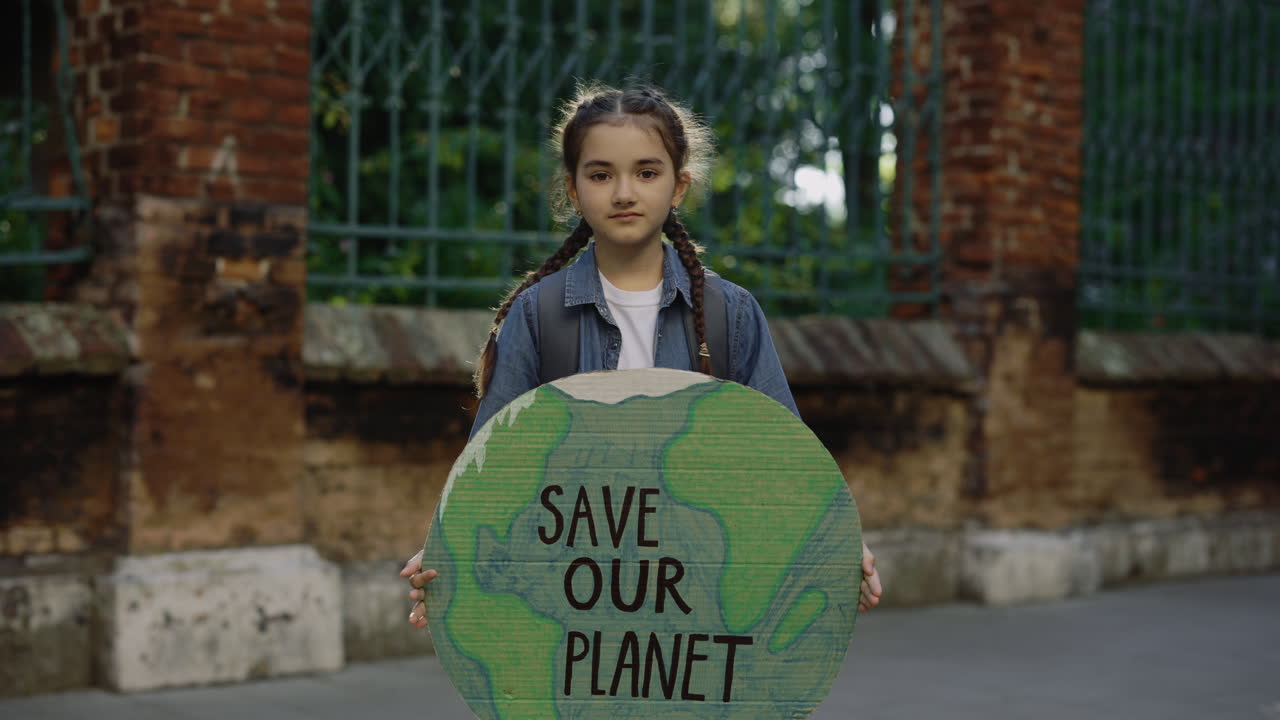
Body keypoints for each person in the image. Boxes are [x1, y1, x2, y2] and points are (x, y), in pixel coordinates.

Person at [401, 81, 882, 628]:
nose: (624, 192)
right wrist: (447, 553)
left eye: (647, 173)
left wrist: (838, 545)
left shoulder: (731, 314)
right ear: (573, 190)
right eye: (601, 175)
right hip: (571, 598)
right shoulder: (538, 315)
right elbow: (493, 464)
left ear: (679, 187)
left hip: (693, 600)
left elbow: (782, 459)